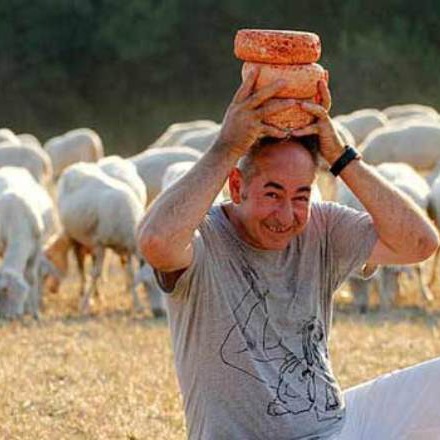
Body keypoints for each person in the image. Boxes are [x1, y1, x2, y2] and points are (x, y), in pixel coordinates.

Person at [138, 65, 440, 439]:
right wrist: (227, 146)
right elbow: (154, 242)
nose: (287, 215)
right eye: (272, 193)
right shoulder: (202, 238)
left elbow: (421, 243)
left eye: (301, 195)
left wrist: (340, 156)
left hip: (337, 426)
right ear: (237, 185)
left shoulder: (322, 226)